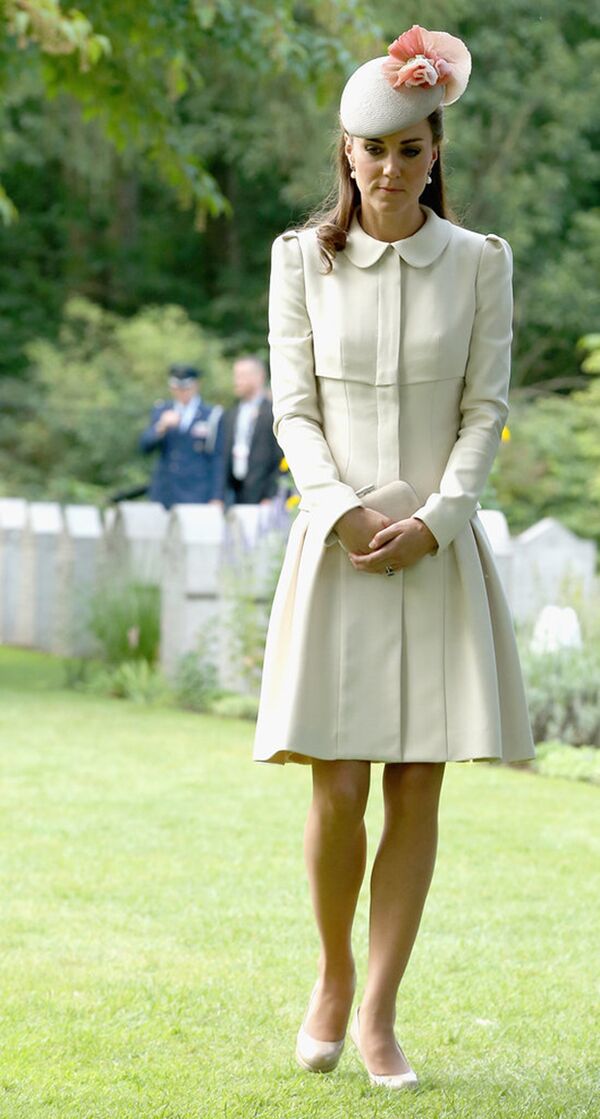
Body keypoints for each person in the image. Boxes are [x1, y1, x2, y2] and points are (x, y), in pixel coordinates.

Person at [252, 23, 536, 1090]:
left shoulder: (481, 263)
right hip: (336, 547)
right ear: (346, 152)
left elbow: (484, 409)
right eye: (371, 150)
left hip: (437, 546)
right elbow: (291, 408)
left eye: (409, 150)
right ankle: (331, 977)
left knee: (418, 781)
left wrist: (440, 519)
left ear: (434, 152)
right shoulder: (299, 261)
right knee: (338, 785)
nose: (388, 169)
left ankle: (378, 1012)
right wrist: (337, 512)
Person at [139, 364, 224, 509]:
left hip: (197, 492)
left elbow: (217, 459)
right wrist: (161, 427)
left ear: (196, 385)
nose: (181, 392)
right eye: (176, 388)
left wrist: (217, 496)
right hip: (165, 493)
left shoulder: (211, 414)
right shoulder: (162, 410)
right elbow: (144, 446)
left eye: (185, 388)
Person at [218, 354, 283, 508]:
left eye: (242, 376)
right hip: (234, 497)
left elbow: (281, 458)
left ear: (259, 377)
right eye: (235, 376)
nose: (236, 381)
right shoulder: (230, 414)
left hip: (263, 498)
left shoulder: (273, 413)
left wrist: (271, 495)